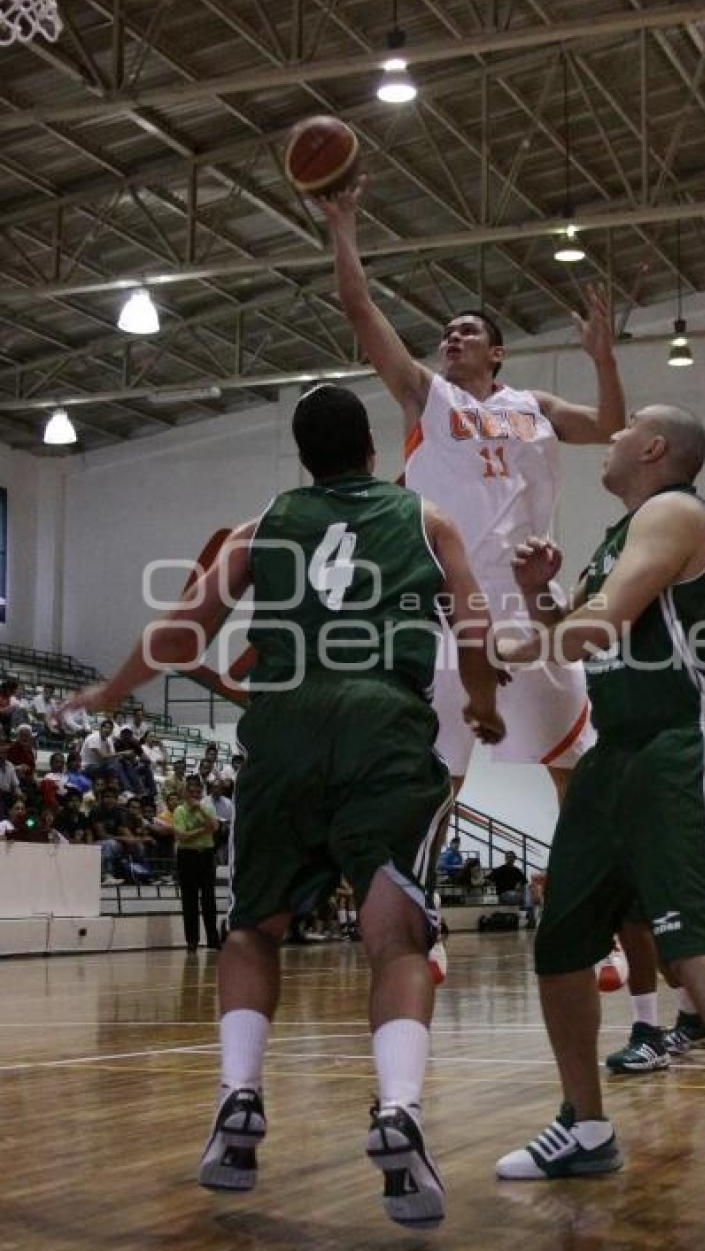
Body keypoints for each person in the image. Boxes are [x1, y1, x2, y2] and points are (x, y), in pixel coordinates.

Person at [59, 384, 504, 1228]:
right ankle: (400, 1108)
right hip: (382, 720)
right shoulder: (426, 518)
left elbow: (185, 630)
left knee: (249, 927)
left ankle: (238, 1100)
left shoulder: (258, 527)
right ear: (374, 451)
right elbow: (474, 627)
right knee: (395, 937)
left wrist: (111, 688)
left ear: (303, 459)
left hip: (286, 720)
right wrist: (481, 703)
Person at [493, 404, 705, 1240]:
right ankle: (584, 1124)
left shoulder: (673, 512)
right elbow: (575, 631)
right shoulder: (622, 536)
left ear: (653, 449)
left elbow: (595, 628)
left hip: (678, 746)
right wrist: (540, 599)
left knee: (691, 945)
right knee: (562, 939)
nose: (608, 439)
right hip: (616, 753)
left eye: (623, 431)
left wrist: (501, 640)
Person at [319, 179, 624, 799]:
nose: (451, 338)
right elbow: (359, 309)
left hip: (531, 601)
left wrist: (603, 360)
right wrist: (343, 224)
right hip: (446, 610)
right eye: (447, 333)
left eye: (467, 332)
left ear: (498, 351)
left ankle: (580, 896)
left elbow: (610, 427)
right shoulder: (427, 396)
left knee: (576, 775)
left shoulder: (533, 405)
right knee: (436, 785)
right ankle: (412, 894)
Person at [172, 782, 220, 951]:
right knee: (189, 900)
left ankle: (213, 940)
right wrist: (201, 831)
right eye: (191, 792)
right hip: (187, 857)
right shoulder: (180, 811)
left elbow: (214, 826)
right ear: (185, 794)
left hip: (206, 855)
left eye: (198, 792)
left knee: (209, 899)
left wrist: (200, 810)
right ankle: (191, 941)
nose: (195, 795)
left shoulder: (208, 807)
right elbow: (181, 836)